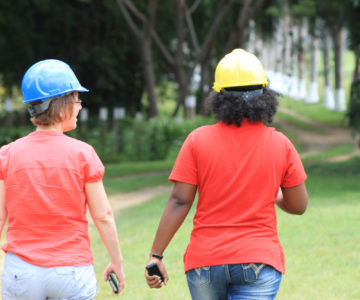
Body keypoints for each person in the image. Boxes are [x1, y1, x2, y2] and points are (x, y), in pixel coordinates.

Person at [145, 49, 308, 300]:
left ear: (219, 97)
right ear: (265, 95)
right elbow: (298, 206)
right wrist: (275, 196)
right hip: (259, 261)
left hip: (205, 263)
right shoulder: (281, 144)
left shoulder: (197, 140)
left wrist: (156, 255)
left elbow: (180, 200)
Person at [0, 59, 125, 299]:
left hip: (21, 273)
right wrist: (116, 262)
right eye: (77, 100)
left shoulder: (8, 154)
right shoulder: (83, 154)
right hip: (71, 272)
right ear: (61, 104)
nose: (79, 106)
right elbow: (103, 215)